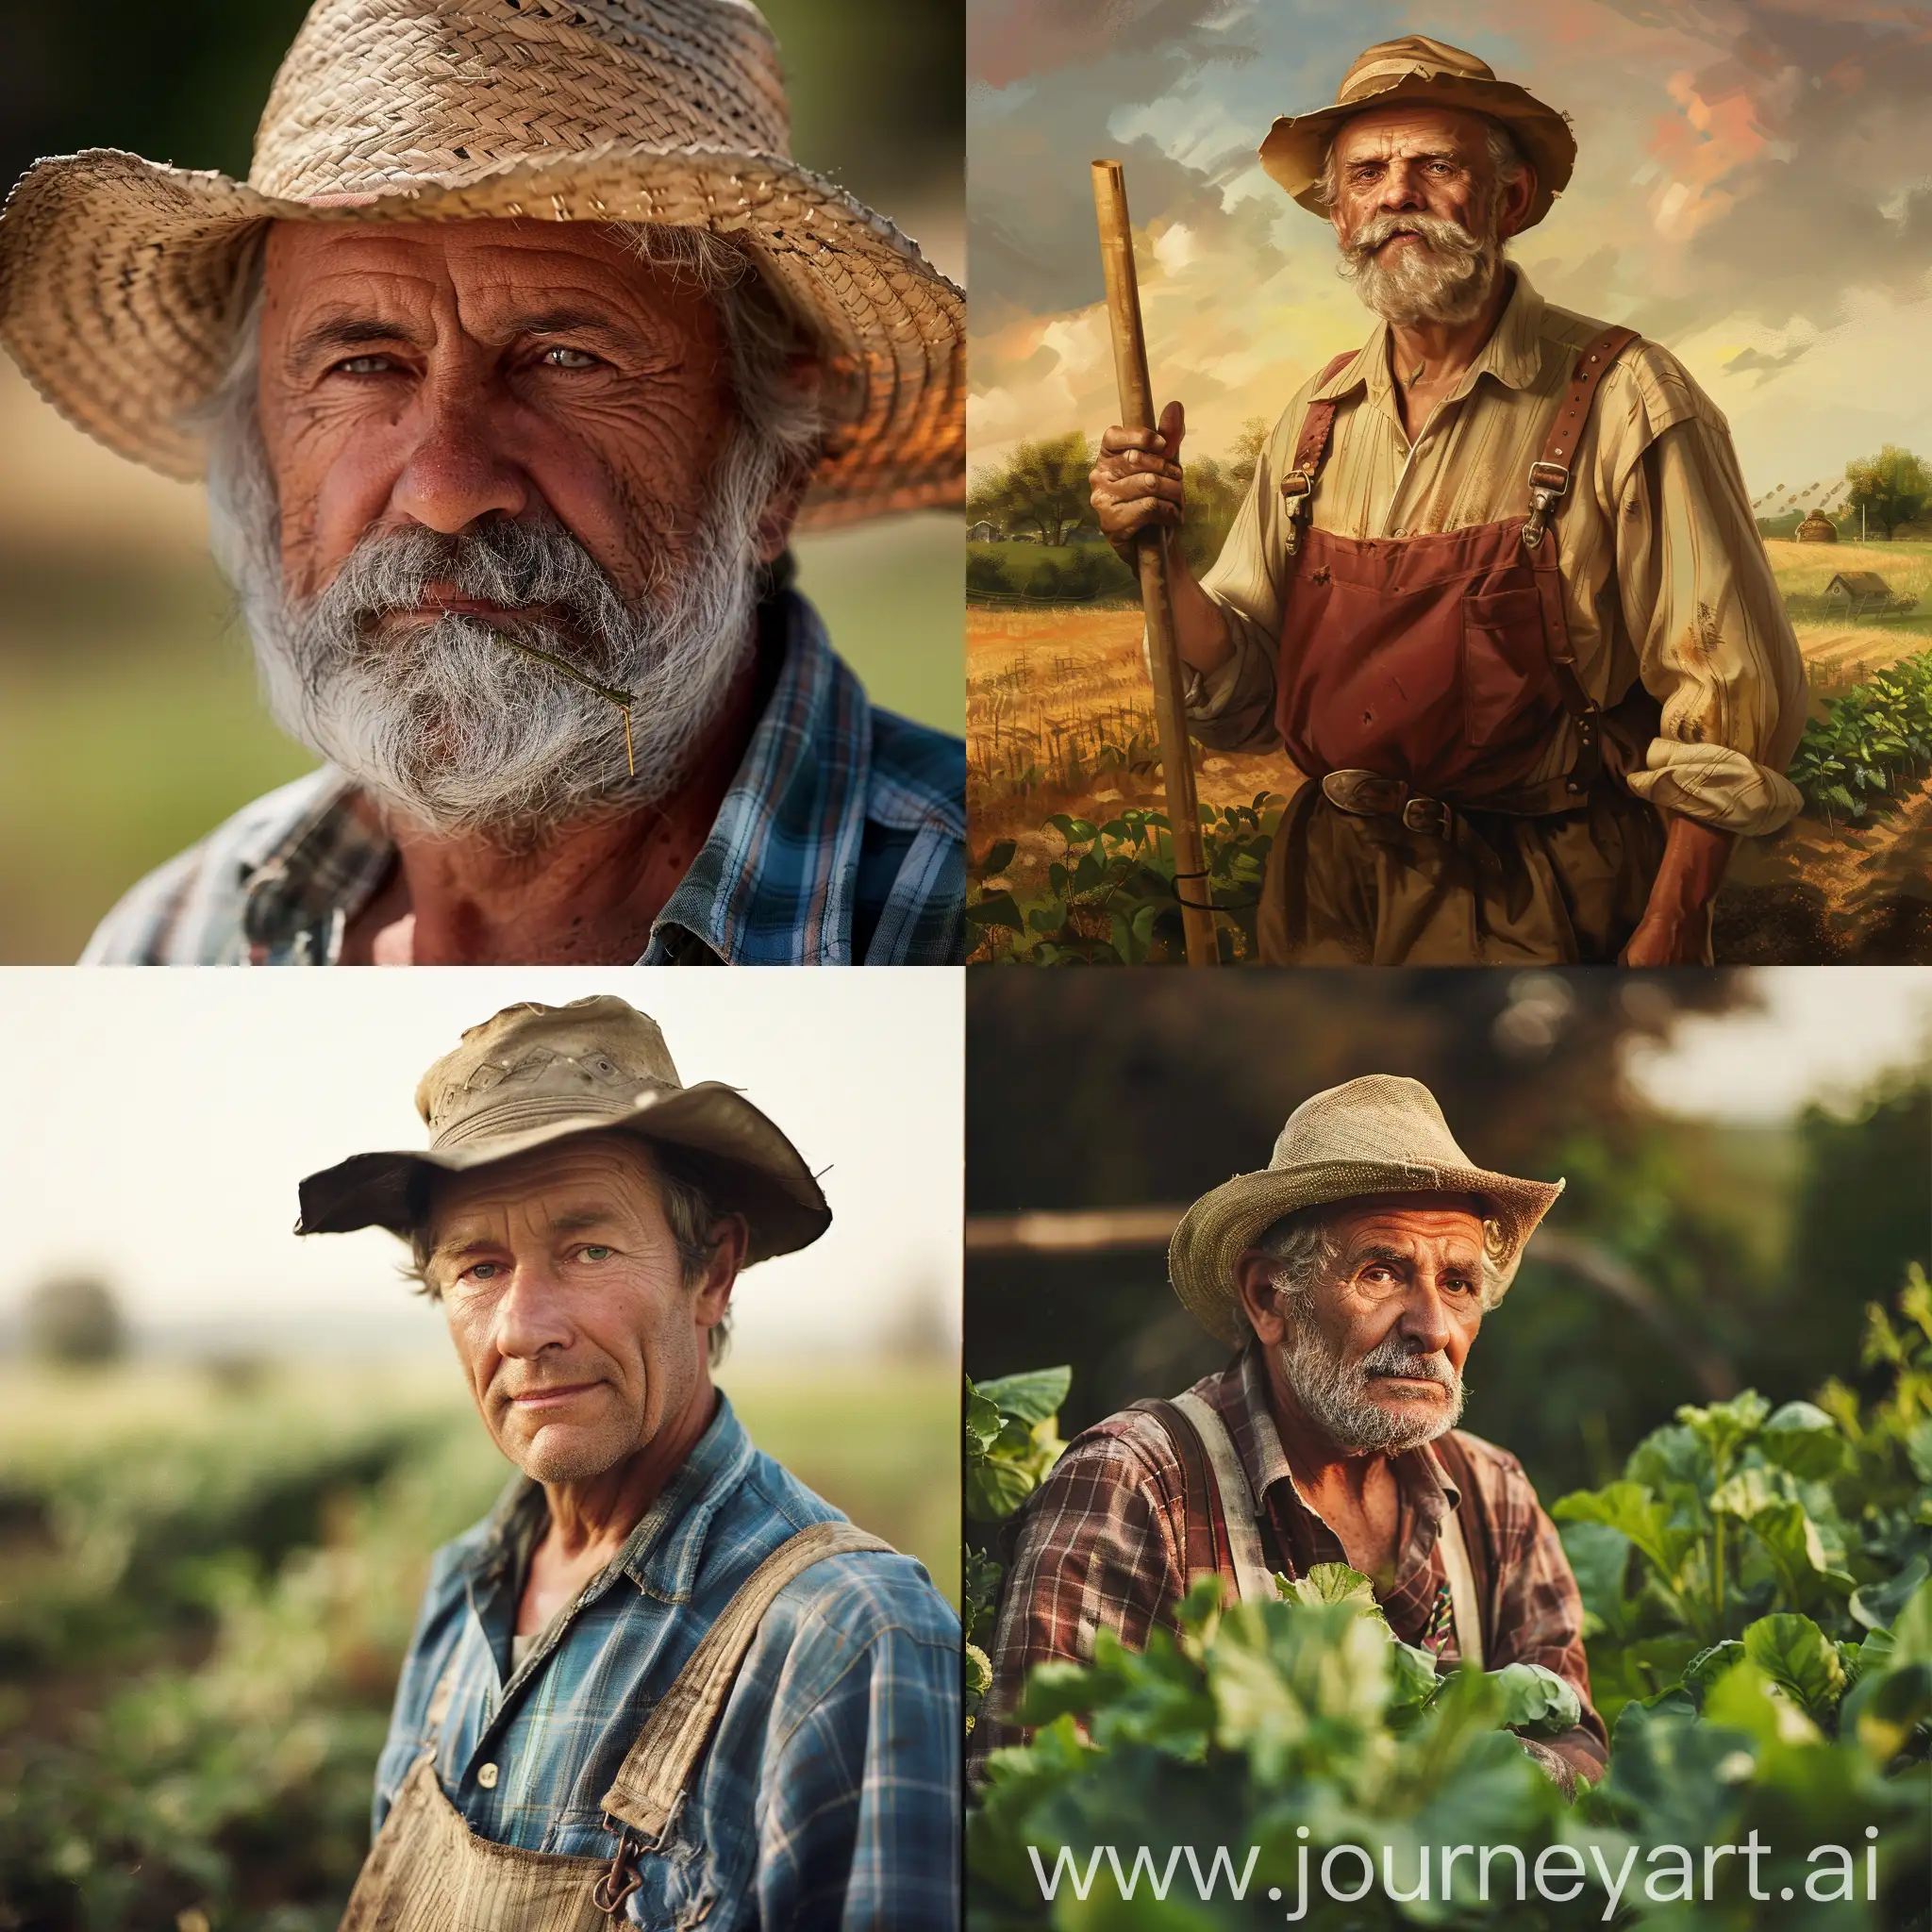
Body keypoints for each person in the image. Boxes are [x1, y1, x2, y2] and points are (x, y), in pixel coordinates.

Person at [0, 0, 964, 965]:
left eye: (565, 358)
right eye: (364, 365)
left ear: (775, 468)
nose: (446, 489)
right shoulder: (169, 946)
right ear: (258, 451)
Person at [1088, 36, 1806, 968]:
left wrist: (1673, 918)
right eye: (1367, 173)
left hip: (1545, 888)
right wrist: (1160, 554)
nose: (1396, 194)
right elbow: (1244, 697)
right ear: (1338, 215)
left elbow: (1729, 694)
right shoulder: (1313, 416)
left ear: (1505, 200)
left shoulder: (1627, 395)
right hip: (1326, 895)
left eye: (1434, 165)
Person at [295, 994, 960, 1926]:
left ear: (711, 1271)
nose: (524, 1328)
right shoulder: (460, 1592)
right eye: (478, 1267)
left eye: (587, 1247)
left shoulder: (852, 1637)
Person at [975, 1074, 1607, 1795]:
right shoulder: (1137, 1484)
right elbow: (1031, 1802)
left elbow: (1576, 1734)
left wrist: (1499, 1781)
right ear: (1269, 1298)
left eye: (1459, 1285)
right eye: (1382, 1272)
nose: (1432, 1327)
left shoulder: (1496, 1495)